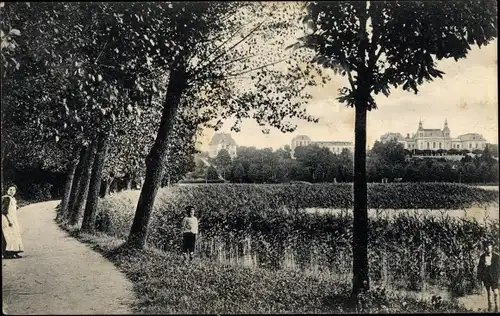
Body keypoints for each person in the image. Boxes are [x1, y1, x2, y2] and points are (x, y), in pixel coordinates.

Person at [2, 184, 24, 259]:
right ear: (7, 190)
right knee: (9, 235)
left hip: (13, 218)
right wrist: (8, 221)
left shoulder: (12, 199)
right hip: (7, 218)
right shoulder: (6, 198)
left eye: (13, 190)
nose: (12, 191)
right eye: (10, 189)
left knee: (15, 234)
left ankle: (15, 251)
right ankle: (8, 253)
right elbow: (4, 211)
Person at [478, 240, 499, 312]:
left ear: (492, 247)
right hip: (486, 278)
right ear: (485, 248)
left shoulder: (496, 257)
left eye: (489, 247)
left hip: (494, 278)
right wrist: (480, 278)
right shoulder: (482, 257)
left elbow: (498, 268)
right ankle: (491, 309)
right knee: (489, 294)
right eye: (486, 247)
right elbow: (479, 268)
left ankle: (497, 307)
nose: (488, 248)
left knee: (496, 293)